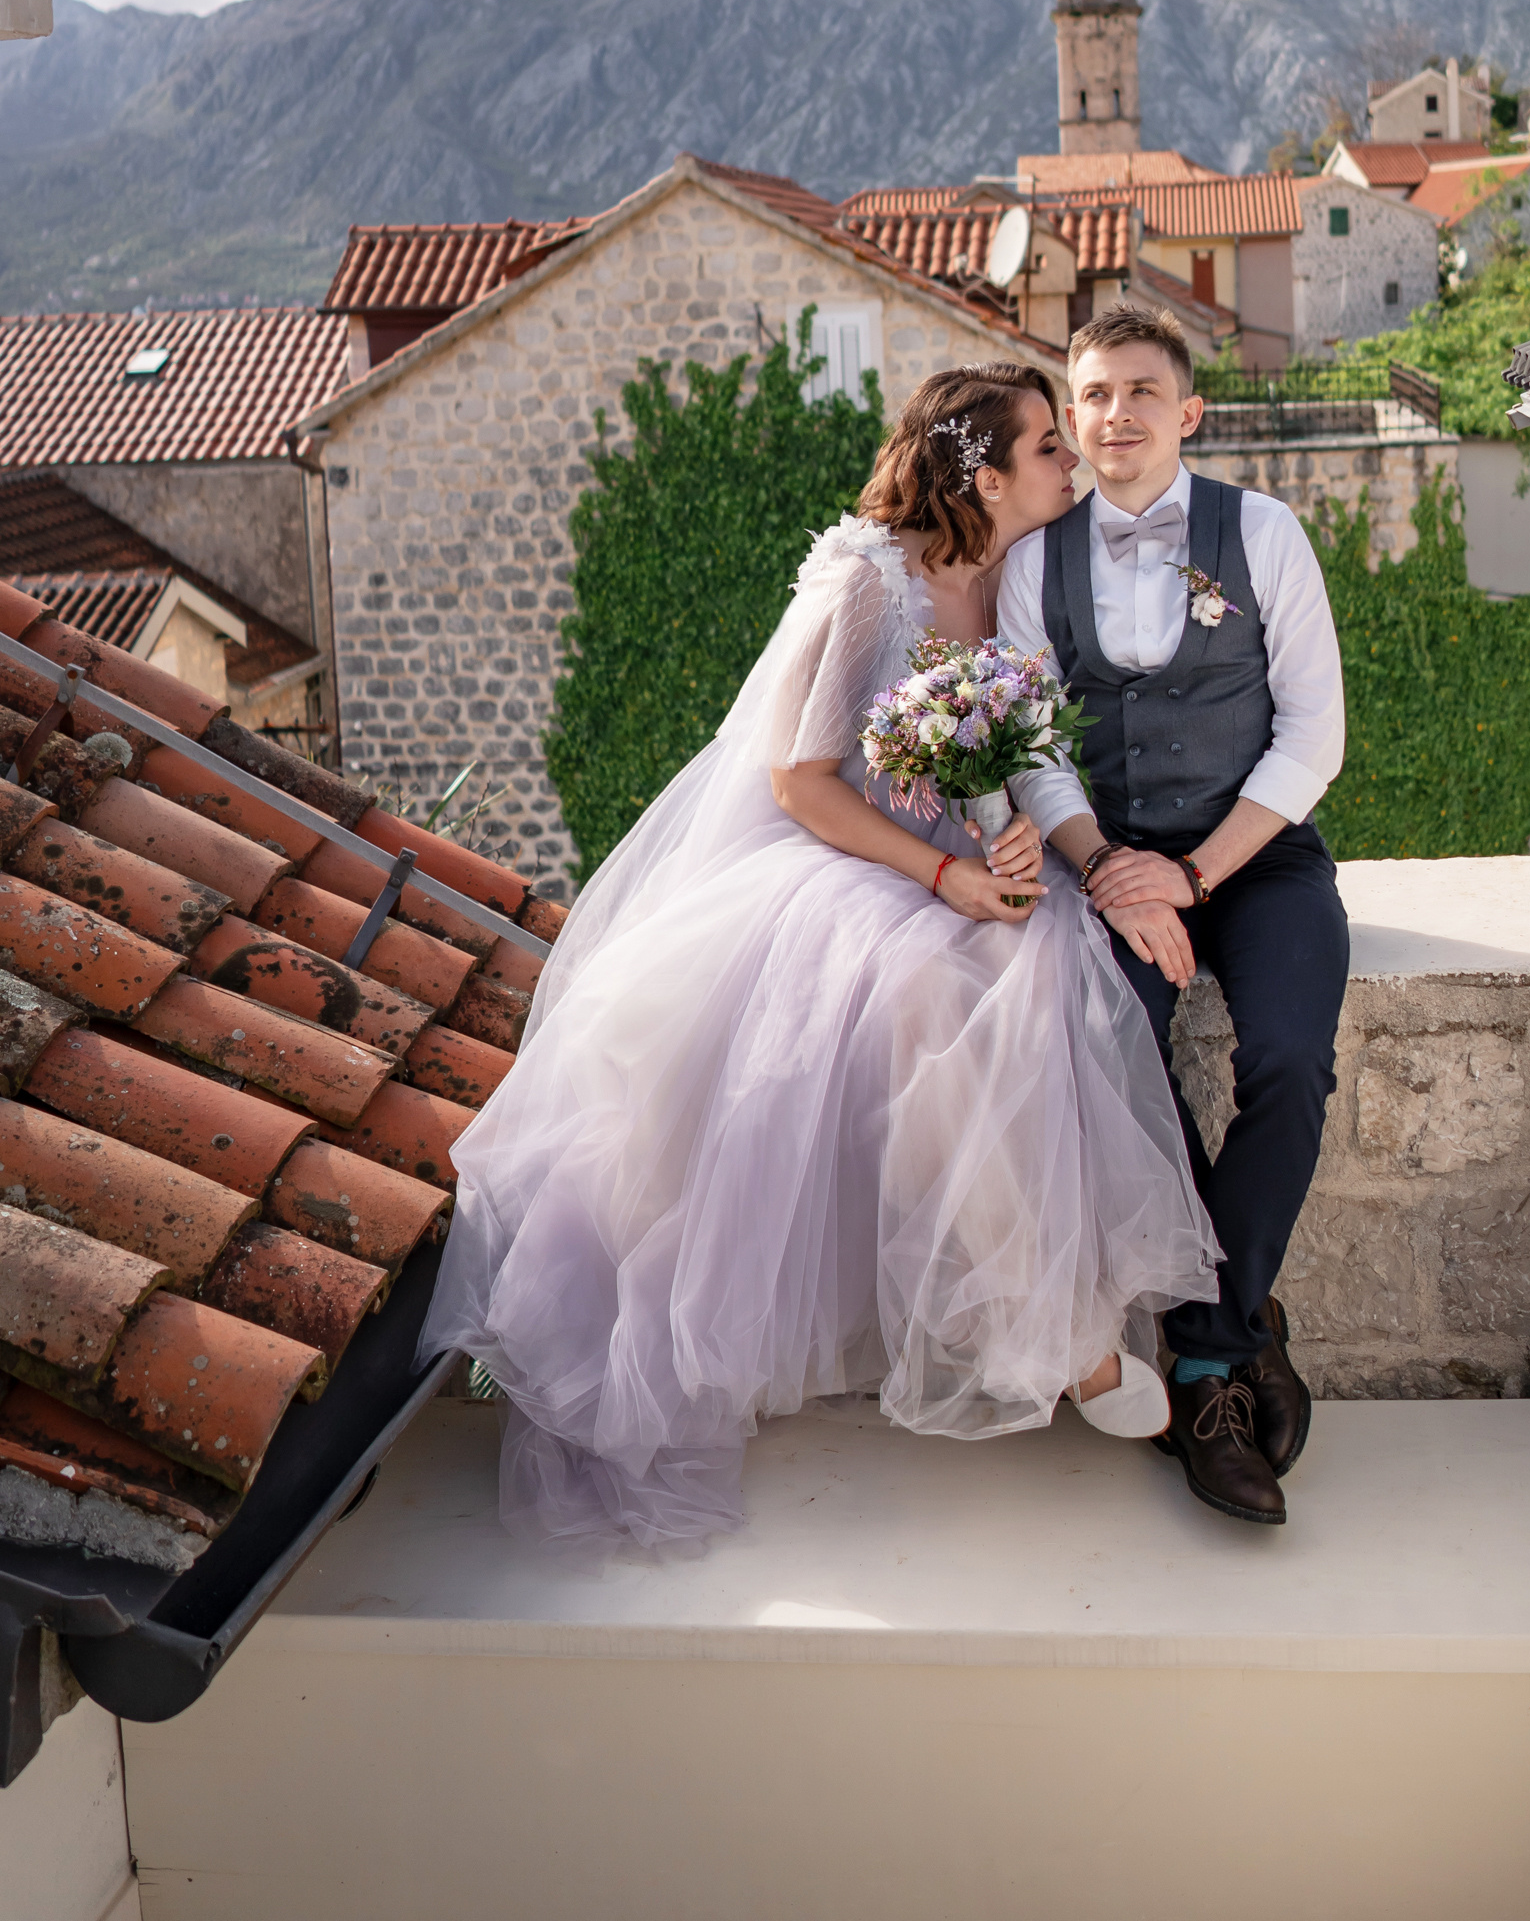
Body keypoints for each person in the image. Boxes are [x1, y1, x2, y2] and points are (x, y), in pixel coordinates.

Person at [422, 361, 1218, 1549]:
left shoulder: (1026, 576)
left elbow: (1021, 749)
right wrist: (946, 874)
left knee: (1042, 973)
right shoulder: (865, 580)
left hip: (964, 857)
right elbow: (797, 782)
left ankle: (1037, 1315)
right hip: (847, 864)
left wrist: (1030, 854)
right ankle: (1063, 1343)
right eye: (1047, 444)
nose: (1069, 460)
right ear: (979, 471)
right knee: (922, 1000)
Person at [996, 300, 1349, 1529]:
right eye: (1091, 395)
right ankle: (1231, 1349)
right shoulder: (1034, 563)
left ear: (1185, 411)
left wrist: (1195, 877)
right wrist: (1105, 867)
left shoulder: (1264, 532)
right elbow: (1031, 748)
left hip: (1256, 860)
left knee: (1292, 1061)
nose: (1114, 416)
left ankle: (1208, 1344)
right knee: (1105, 1056)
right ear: (1073, 416)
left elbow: (1315, 732)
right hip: (1108, 867)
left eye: (1140, 391)